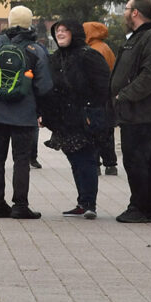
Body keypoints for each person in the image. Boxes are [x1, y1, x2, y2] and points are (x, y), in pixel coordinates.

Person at [0, 6, 53, 220]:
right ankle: (20, 205)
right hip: (24, 113)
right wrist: (40, 110)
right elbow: (44, 86)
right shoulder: (36, 49)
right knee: (21, 159)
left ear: (9, 22)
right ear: (30, 23)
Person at [110, 0, 151, 223]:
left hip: (144, 112)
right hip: (136, 111)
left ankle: (140, 208)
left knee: (138, 159)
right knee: (140, 159)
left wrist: (124, 95)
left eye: (126, 8)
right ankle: (145, 208)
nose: (124, 13)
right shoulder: (140, 37)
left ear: (135, 12)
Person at [46, 18, 113, 219]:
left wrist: (93, 111)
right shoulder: (56, 58)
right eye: (57, 30)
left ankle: (89, 203)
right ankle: (82, 202)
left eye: (65, 30)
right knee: (75, 159)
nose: (60, 34)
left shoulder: (88, 56)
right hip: (64, 118)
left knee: (87, 158)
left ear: (75, 32)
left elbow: (103, 87)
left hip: (86, 117)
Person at [84, 20, 120, 175]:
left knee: (94, 131)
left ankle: (96, 164)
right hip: (107, 97)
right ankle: (111, 164)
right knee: (107, 132)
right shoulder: (106, 48)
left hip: (96, 98)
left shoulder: (93, 51)